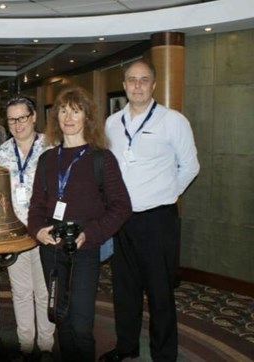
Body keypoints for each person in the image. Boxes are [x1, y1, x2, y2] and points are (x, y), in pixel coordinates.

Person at [100, 60, 200, 362]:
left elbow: (191, 167)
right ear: (125, 84)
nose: (138, 85)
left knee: (160, 292)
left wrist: (166, 193)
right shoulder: (112, 123)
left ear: (154, 85)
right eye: (132, 80)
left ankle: (164, 354)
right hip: (122, 219)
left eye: (144, 80)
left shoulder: (173, 121)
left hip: (158, 219)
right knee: (124, 289)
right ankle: (126, 346)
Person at [27, 87, 131, 362]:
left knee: (81, 325)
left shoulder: (102, 159)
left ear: (87, 117)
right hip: (51, 249)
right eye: (63, 110)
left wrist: (91, 233)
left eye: (76, 111)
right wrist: (37, 230)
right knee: (61, 318)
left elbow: (122, 206)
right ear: (55, 117)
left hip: (84, 251)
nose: (68, 117)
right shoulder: (47, 159)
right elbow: (37, 204)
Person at [0, 96, 55, 362]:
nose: (17, 124)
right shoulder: (1, 153)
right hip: (16, 234)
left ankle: (46, 344)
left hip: (44, 232)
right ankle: (26, 344)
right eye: (12, 120)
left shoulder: (51, 147)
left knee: (43, 291)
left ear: (33, 117)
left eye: (22, 118)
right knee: (20, 292)